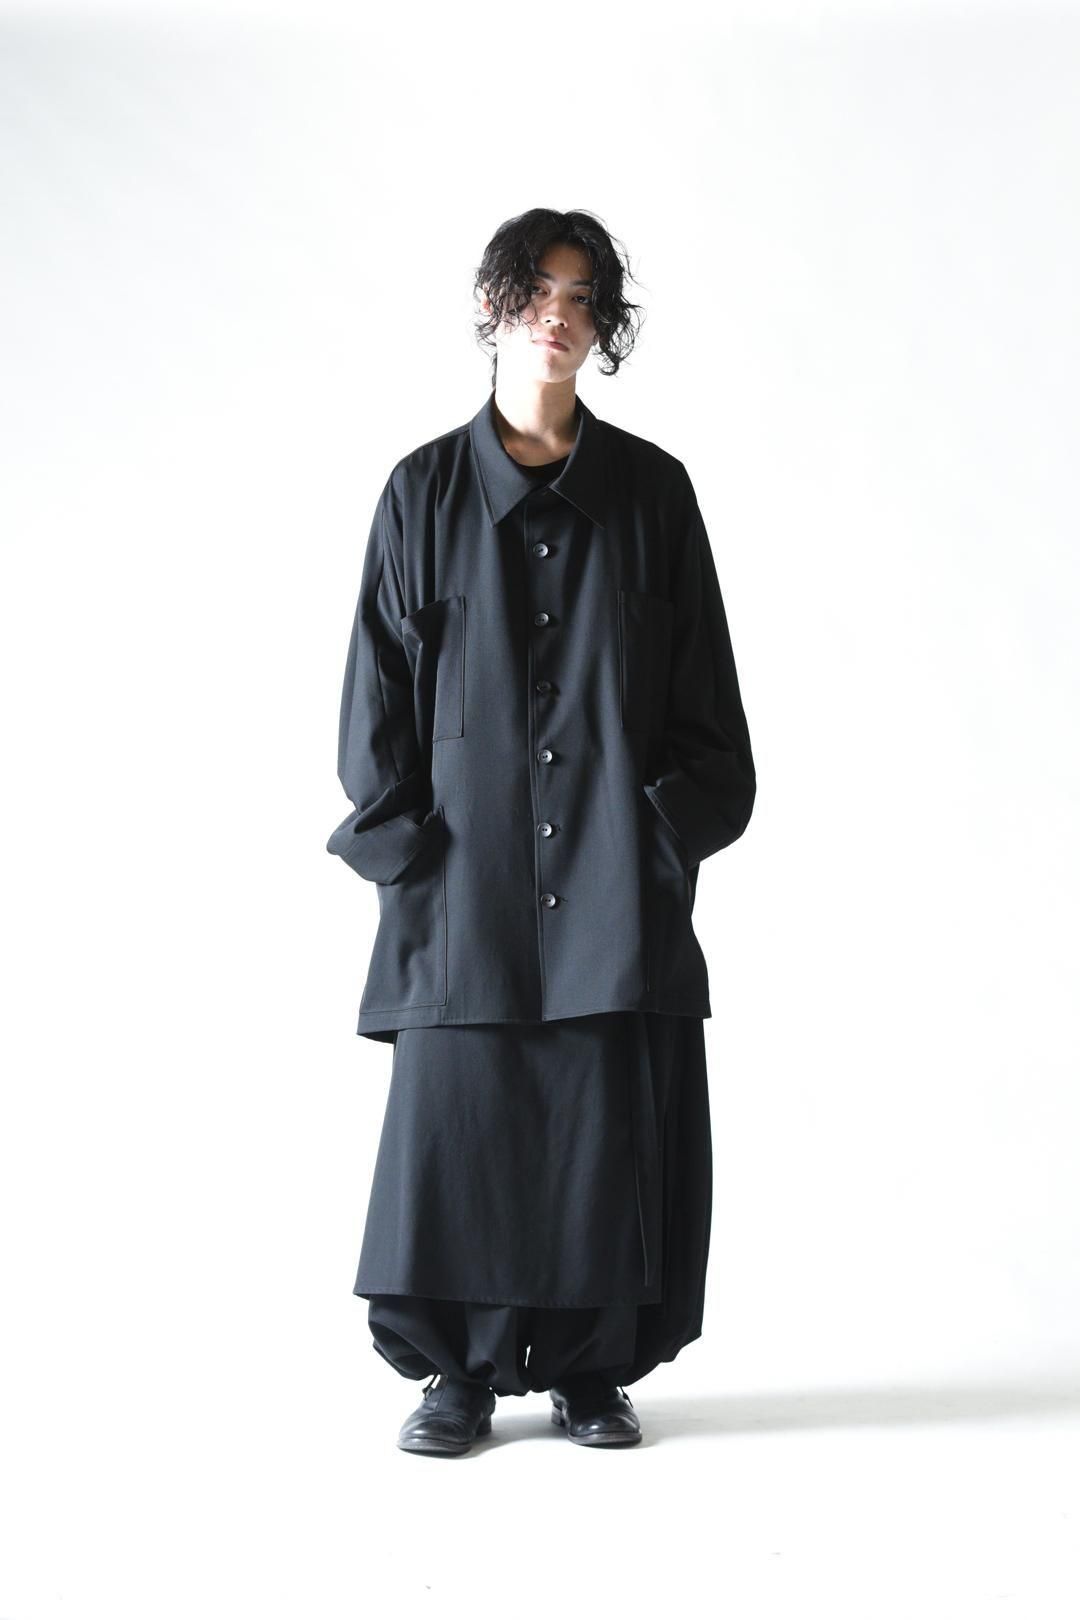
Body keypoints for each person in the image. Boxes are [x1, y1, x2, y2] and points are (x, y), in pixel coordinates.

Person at [325, 207, 756, 1456]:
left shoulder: (654, 496)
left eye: (580, 297)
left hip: (614, 889)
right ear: (493, 305)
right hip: (465, 891)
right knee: (458, 1130)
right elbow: (374, 708)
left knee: (600, 1129)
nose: (557, 316)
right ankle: (455, 1377)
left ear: (602, 323)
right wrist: (414, 864)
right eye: (535, 292)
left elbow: (707, 705)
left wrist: (657, 843)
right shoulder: (421, 494)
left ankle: (591, 1371)